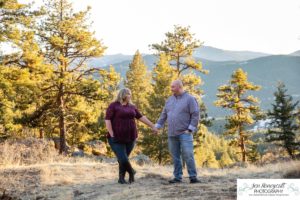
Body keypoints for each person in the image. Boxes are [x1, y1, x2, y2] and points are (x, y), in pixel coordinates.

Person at [105, 88, 158, 184]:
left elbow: (141, 117)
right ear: (123, 95)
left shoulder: (132, 106)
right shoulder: (114, 106)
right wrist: (112, 133)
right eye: (129, 94)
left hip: (131, 137)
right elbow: (107, 120)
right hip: (116, 137)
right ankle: (132, 172)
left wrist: (152, 126)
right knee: (123, 158)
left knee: (124, 158)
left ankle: (121, 178)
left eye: (130, 94)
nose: (130, 96)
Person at [155, 80, 201, 184]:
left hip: (185, 133)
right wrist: (157, 126)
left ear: (180, 87)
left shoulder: (190, 99)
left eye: (173, 87)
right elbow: (164, 115)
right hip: (172, 133)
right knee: (175, 156)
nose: (171, 89)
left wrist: (190, 129)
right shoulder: (169, 100)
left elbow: (195, 114)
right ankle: (177, 177)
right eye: (171, 87)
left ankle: (193, 177)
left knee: (188, 154)